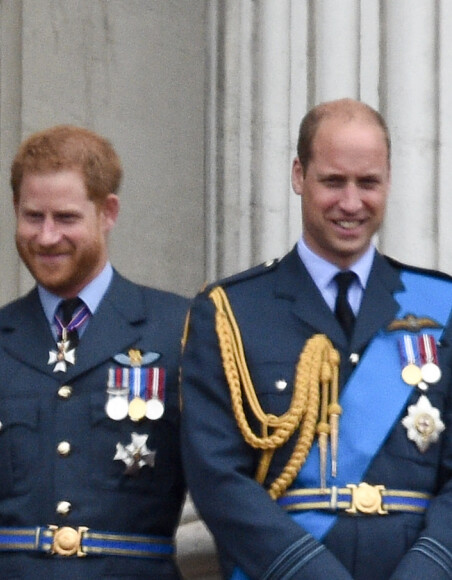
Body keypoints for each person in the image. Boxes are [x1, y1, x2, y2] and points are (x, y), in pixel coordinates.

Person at [180, 98, 452, 579]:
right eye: (333, 182)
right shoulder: (231, 313)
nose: (351, 203)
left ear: (388, 181)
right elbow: (216, 475)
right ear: (298, 176)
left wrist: (429, 569)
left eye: (368, 183)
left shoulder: (440, 306)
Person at [0, 125, 189, 579]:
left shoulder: (181, 331)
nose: (47, 236)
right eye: (33, 216)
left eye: (66, 218)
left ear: (107, 212)